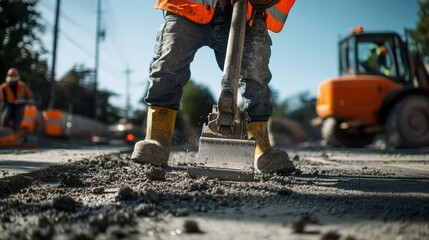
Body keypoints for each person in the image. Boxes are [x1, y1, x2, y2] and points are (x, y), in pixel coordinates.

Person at [131, 0, 296, 174]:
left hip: (249, 12)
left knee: (255, 75)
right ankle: (157, 140)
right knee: (169, 64)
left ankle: (260, 147)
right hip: (188, 6)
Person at [0, 68, 33, 132]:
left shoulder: (21, 85)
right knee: (6, 116)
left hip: (19, 105)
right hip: (8, 105)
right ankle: (5, 130)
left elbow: (29, 94)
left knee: (18, 117)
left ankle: (16, 131)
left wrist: (27, 100)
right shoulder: (3, 87)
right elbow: (1, 98)